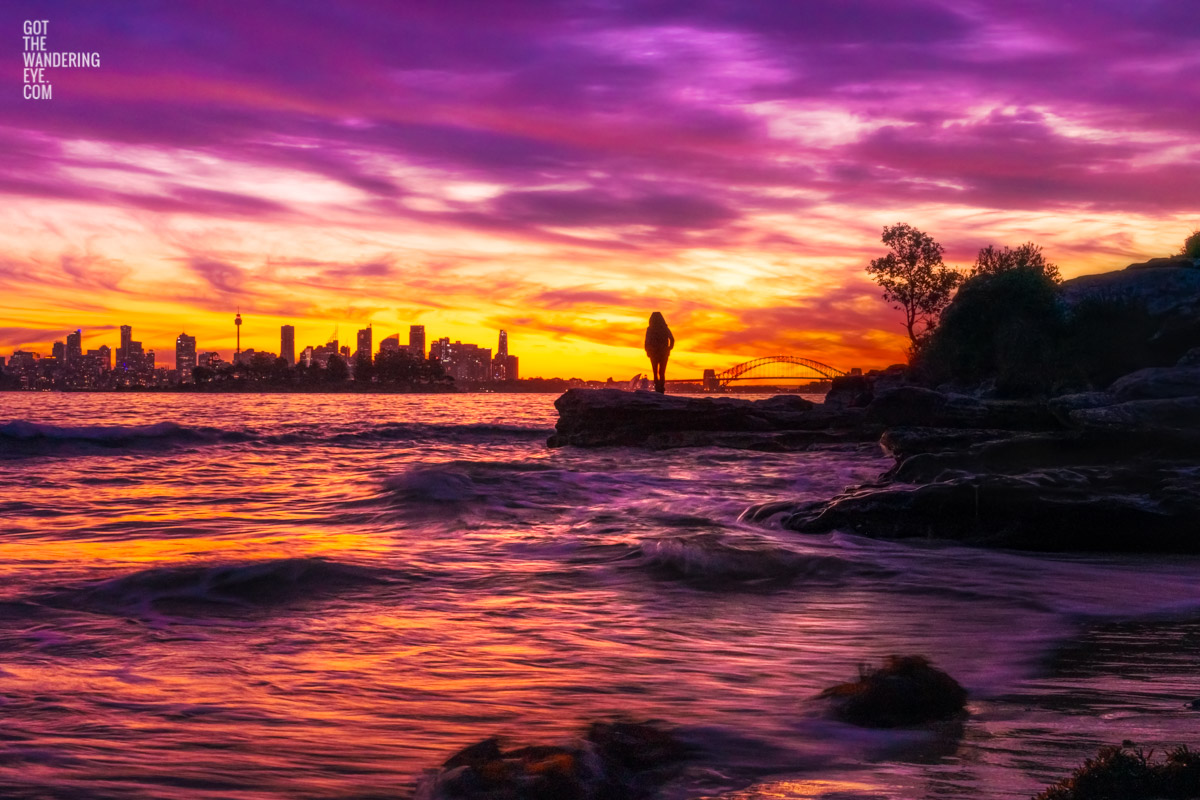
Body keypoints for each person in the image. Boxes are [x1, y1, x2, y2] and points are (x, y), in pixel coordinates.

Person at [644, 311, 675, 393]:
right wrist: (669, 348)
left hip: (653, 353)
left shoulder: (650, 329)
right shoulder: (665, 328)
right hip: (664, 353)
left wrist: (647, 350)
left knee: (655, 372)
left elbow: (646, 341)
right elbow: (672, 339)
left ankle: (657, 388)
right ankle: (661, 388)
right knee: (662, 372)